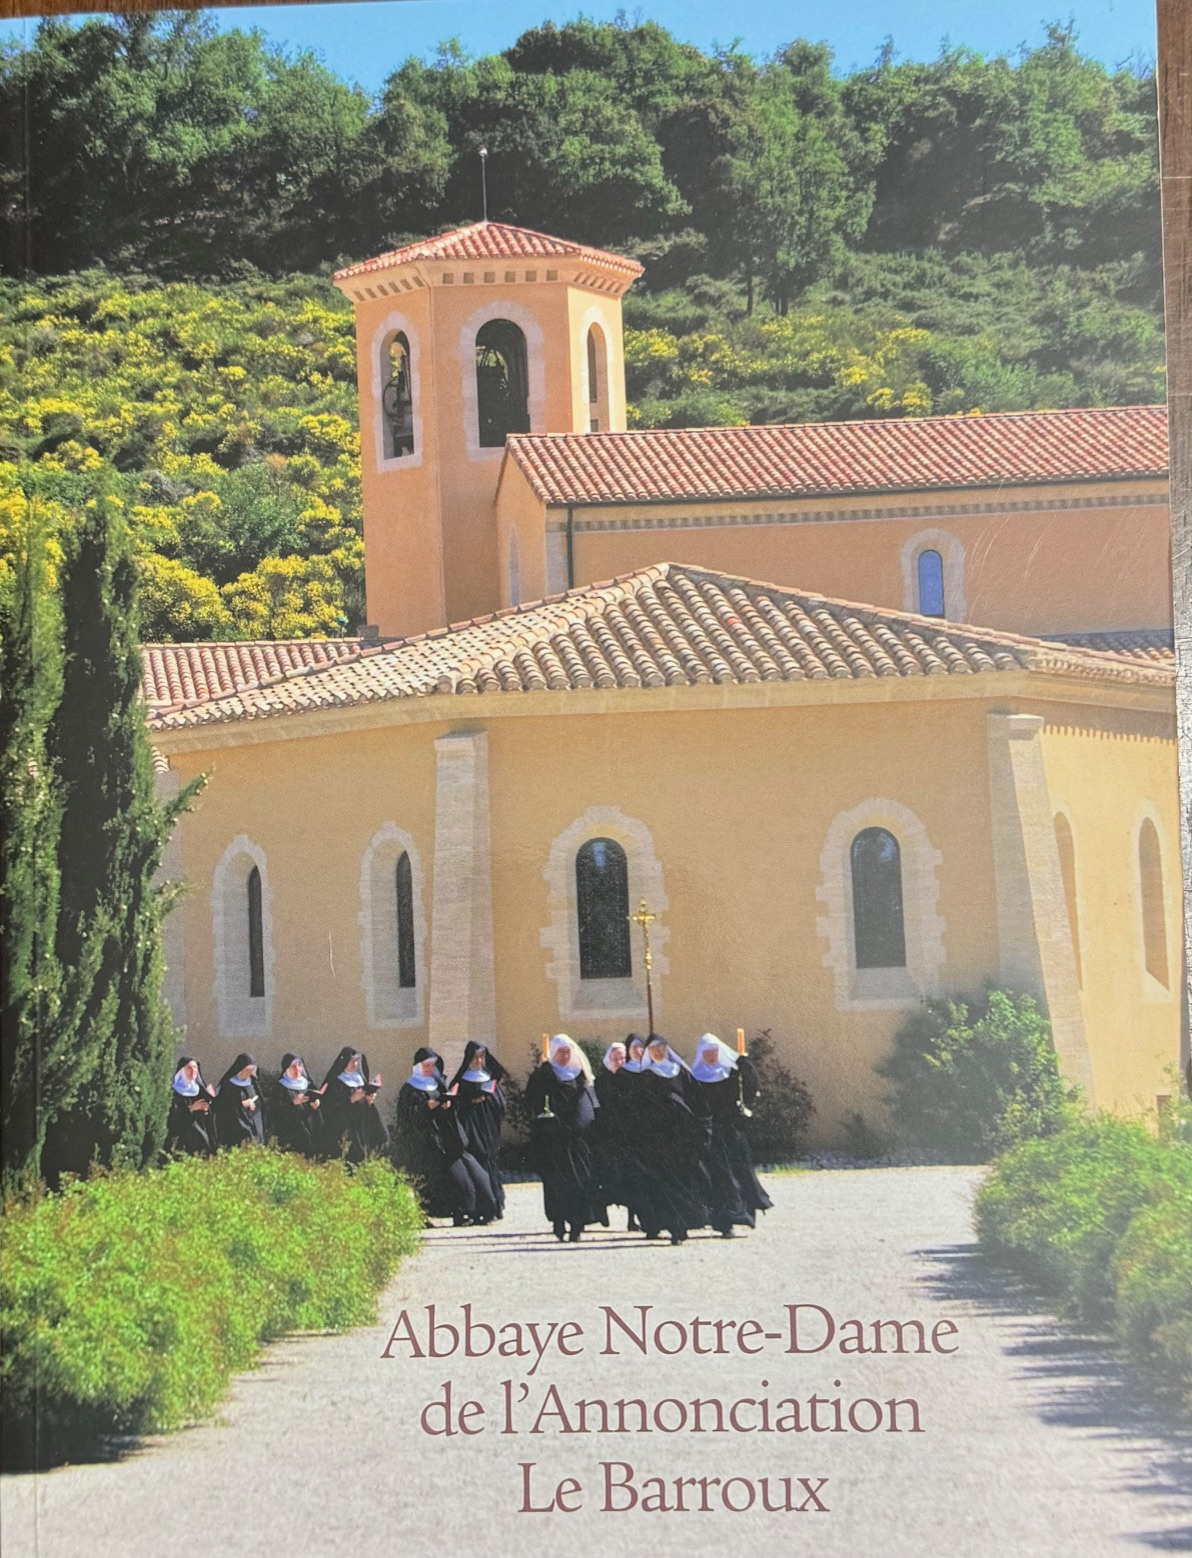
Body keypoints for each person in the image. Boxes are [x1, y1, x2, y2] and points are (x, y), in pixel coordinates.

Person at [394, 1048, 497, 1224]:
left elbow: (448, 1109)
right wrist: (428, 1107)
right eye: (426, 1065)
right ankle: (429, 1217)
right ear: (418, 1067)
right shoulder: (409, 1088)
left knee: (466, 1176)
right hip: (424, 1141)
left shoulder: (438, 1083)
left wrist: (447, 1104)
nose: (429, 1069)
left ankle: (470, 1212)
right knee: (435, 1182)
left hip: (444, 1139)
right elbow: (408, 1116)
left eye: (432, 1065)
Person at [524, 1035, 605, 1242]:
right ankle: (559, 1222)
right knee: (556, 1183)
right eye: (560, 1051)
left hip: (577, 1140)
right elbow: (532, 1103)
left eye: (568, 1051)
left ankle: (577, 1224)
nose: (565, 1055)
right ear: (553, 1052)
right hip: (553, 1140)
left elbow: (588, 1103)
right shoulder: (544, 1074)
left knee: (578, 1180)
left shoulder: (579, 1075)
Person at [632, 1034, 711, 1244]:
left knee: (684, 1183)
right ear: (648, 1052)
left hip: (682, 1140)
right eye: (654, 1049)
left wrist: (701, 1130)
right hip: (658, 1142)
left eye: (661, 1047)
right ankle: (669, 1225)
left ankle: (682, 1225)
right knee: (664, 1185)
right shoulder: (644, 1077)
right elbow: (638, 1112)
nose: (658, 1052)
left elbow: (698, 1103)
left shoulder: (681, 1073)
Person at [691, 1034, 773, 1236]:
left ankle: (747, 1214)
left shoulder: (731, 1073)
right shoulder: (695, 1078)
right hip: (711, 1134)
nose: (711, 1055)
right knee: (721, 1177)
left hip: (732, 1131)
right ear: (702, 1054)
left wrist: (745, 1064)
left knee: (742, 1173)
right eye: (707, 1052)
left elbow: (752, 1087)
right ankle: (725, 1222)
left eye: (714, 1051)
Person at [446, 1042, 507, 1220]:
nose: (479, 1060)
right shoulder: (462, 1079)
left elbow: (500, 1103)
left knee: (492, 1163)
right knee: (477, 1163)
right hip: (471, 1128)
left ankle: (494, 1208)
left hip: (490, 1127)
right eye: (475, 1057)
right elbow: (455, 1103)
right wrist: (472, 1101)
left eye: (481, 1057)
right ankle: (478, 1209)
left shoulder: (489, 1077)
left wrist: (488, 1099)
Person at [593, 1041, 643, 1231]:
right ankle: (602, 1212)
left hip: (628, 1136)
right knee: (607, 1177)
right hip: (607, 1136)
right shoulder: (601, 1080)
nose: (620, 1061)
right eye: (616, 1058)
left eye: (623, 1058)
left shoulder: (631, 1079)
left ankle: (632, 1220)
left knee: (631, 1179)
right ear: (608, 1060)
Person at [320, 1047, 389, 1163]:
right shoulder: (336, 1082)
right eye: (352, 1061)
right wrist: (351, 1099)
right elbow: (329, 1108)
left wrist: (369, 1101)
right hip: (345, 1128)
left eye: (357, 1061)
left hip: (361, 1125)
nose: (355, 1064)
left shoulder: (360, 1079)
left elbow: (366, 1109)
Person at [269, 1053, 324, 1158]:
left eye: (299, 1066)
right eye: (293, 1066)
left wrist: (316, 1106)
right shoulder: (281, 1087)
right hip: (292, 1133)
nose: (297, 1069)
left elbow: (315, 1105)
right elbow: (275, 1111)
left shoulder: (307, 1084)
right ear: (286, 1069)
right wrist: (292, 1103)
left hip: (310, 1129)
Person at [166, 1056, 217, 1155]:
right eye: (188, 1067)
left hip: (203, 1136)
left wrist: (211, 1104)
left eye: (195, 1067)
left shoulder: (201, 1091)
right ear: (181, 1071)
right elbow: (172, 1119)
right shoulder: (175, 1092)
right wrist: (191, 1109)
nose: (192, 1070)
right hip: (184, 1140)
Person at [213, 1053, 265, 1147]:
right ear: (240, 1069)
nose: (249, 1073)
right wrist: (242, 1104)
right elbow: (222, 1106)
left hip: (254, 1126)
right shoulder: (228, 1084)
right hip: (235, 1129)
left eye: (251, 1071)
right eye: (247, 1070)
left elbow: (260, 1102)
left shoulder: (252, 1083)